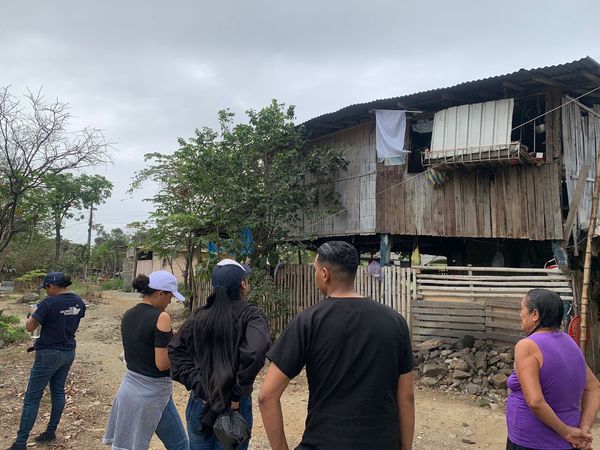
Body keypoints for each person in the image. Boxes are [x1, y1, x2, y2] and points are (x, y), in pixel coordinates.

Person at [259, 241, 415, 450]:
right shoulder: (395, 322)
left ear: (325, 274)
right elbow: (407, 396)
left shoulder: (308, 322)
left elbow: (267, 396)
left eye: (315, 271)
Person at [169, 259, 270, 450]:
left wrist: (199, 384)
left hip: (200, 403)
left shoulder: (199, 316)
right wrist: (236, 393)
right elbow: (255, 352)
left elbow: (175, 350)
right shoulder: (251, 316)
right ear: (243, 284)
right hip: (234, 407)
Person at [103, 271, 189, 450]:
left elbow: (142, 343)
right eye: (170, 296)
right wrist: (181, 351)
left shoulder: (129, 314)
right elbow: (162, 364)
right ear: (160, 293)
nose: (170, 301)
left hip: (129, 390)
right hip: (152, 394)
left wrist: (167, 339)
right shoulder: (162, 317)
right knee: (180, 445)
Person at [506, 288, 600, 450]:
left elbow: (535, 402)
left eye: (522, 309)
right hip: (568, 443)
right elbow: (594, 387)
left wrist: (566, 432)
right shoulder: (569, 343)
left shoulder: (527, 346)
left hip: (532, 441)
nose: (520, 314)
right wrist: (583, 428)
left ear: (535, 314)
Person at [7, 272, 86, 450]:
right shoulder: (78, 301)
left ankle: (20, 442)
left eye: (46, 288)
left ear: (52, 286)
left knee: (32, 397)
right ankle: (50, 433)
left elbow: (30, 327)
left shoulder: (49, 302)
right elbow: (70, 319)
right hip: (68, 352)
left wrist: (32, 314)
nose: (45, 291)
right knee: (57, 391)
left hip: (48, 354)